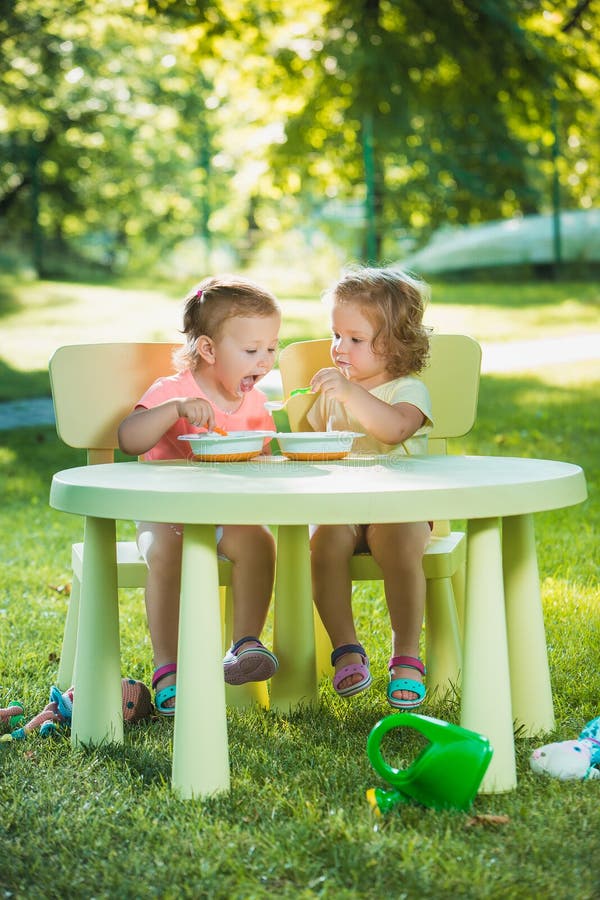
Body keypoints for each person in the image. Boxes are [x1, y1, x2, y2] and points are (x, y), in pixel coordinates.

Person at [118, 275, 281, 715]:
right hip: (166, 514)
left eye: (271, 348)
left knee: (260, 543)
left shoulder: (257, 405)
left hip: (226, 515)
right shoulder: (171, 392)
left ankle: (244, 644)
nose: (264, 361)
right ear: (208, 350)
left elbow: (262, 463)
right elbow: (130, 440)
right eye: (251, 351)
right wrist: (171, 413)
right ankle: (168, 667)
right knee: (167, 553)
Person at [307, 266, 433, 709]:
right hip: (344, 505)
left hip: (401, 510)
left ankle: (406, 657)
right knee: (321, 542)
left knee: (397, 544)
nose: (340, 348)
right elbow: (321, 450)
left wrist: (348, 393)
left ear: (395, 343)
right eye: (336, 335)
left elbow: (393, 430)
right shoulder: (336, 393)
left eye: (355, 339)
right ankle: (347, 650)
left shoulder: (408, 390)